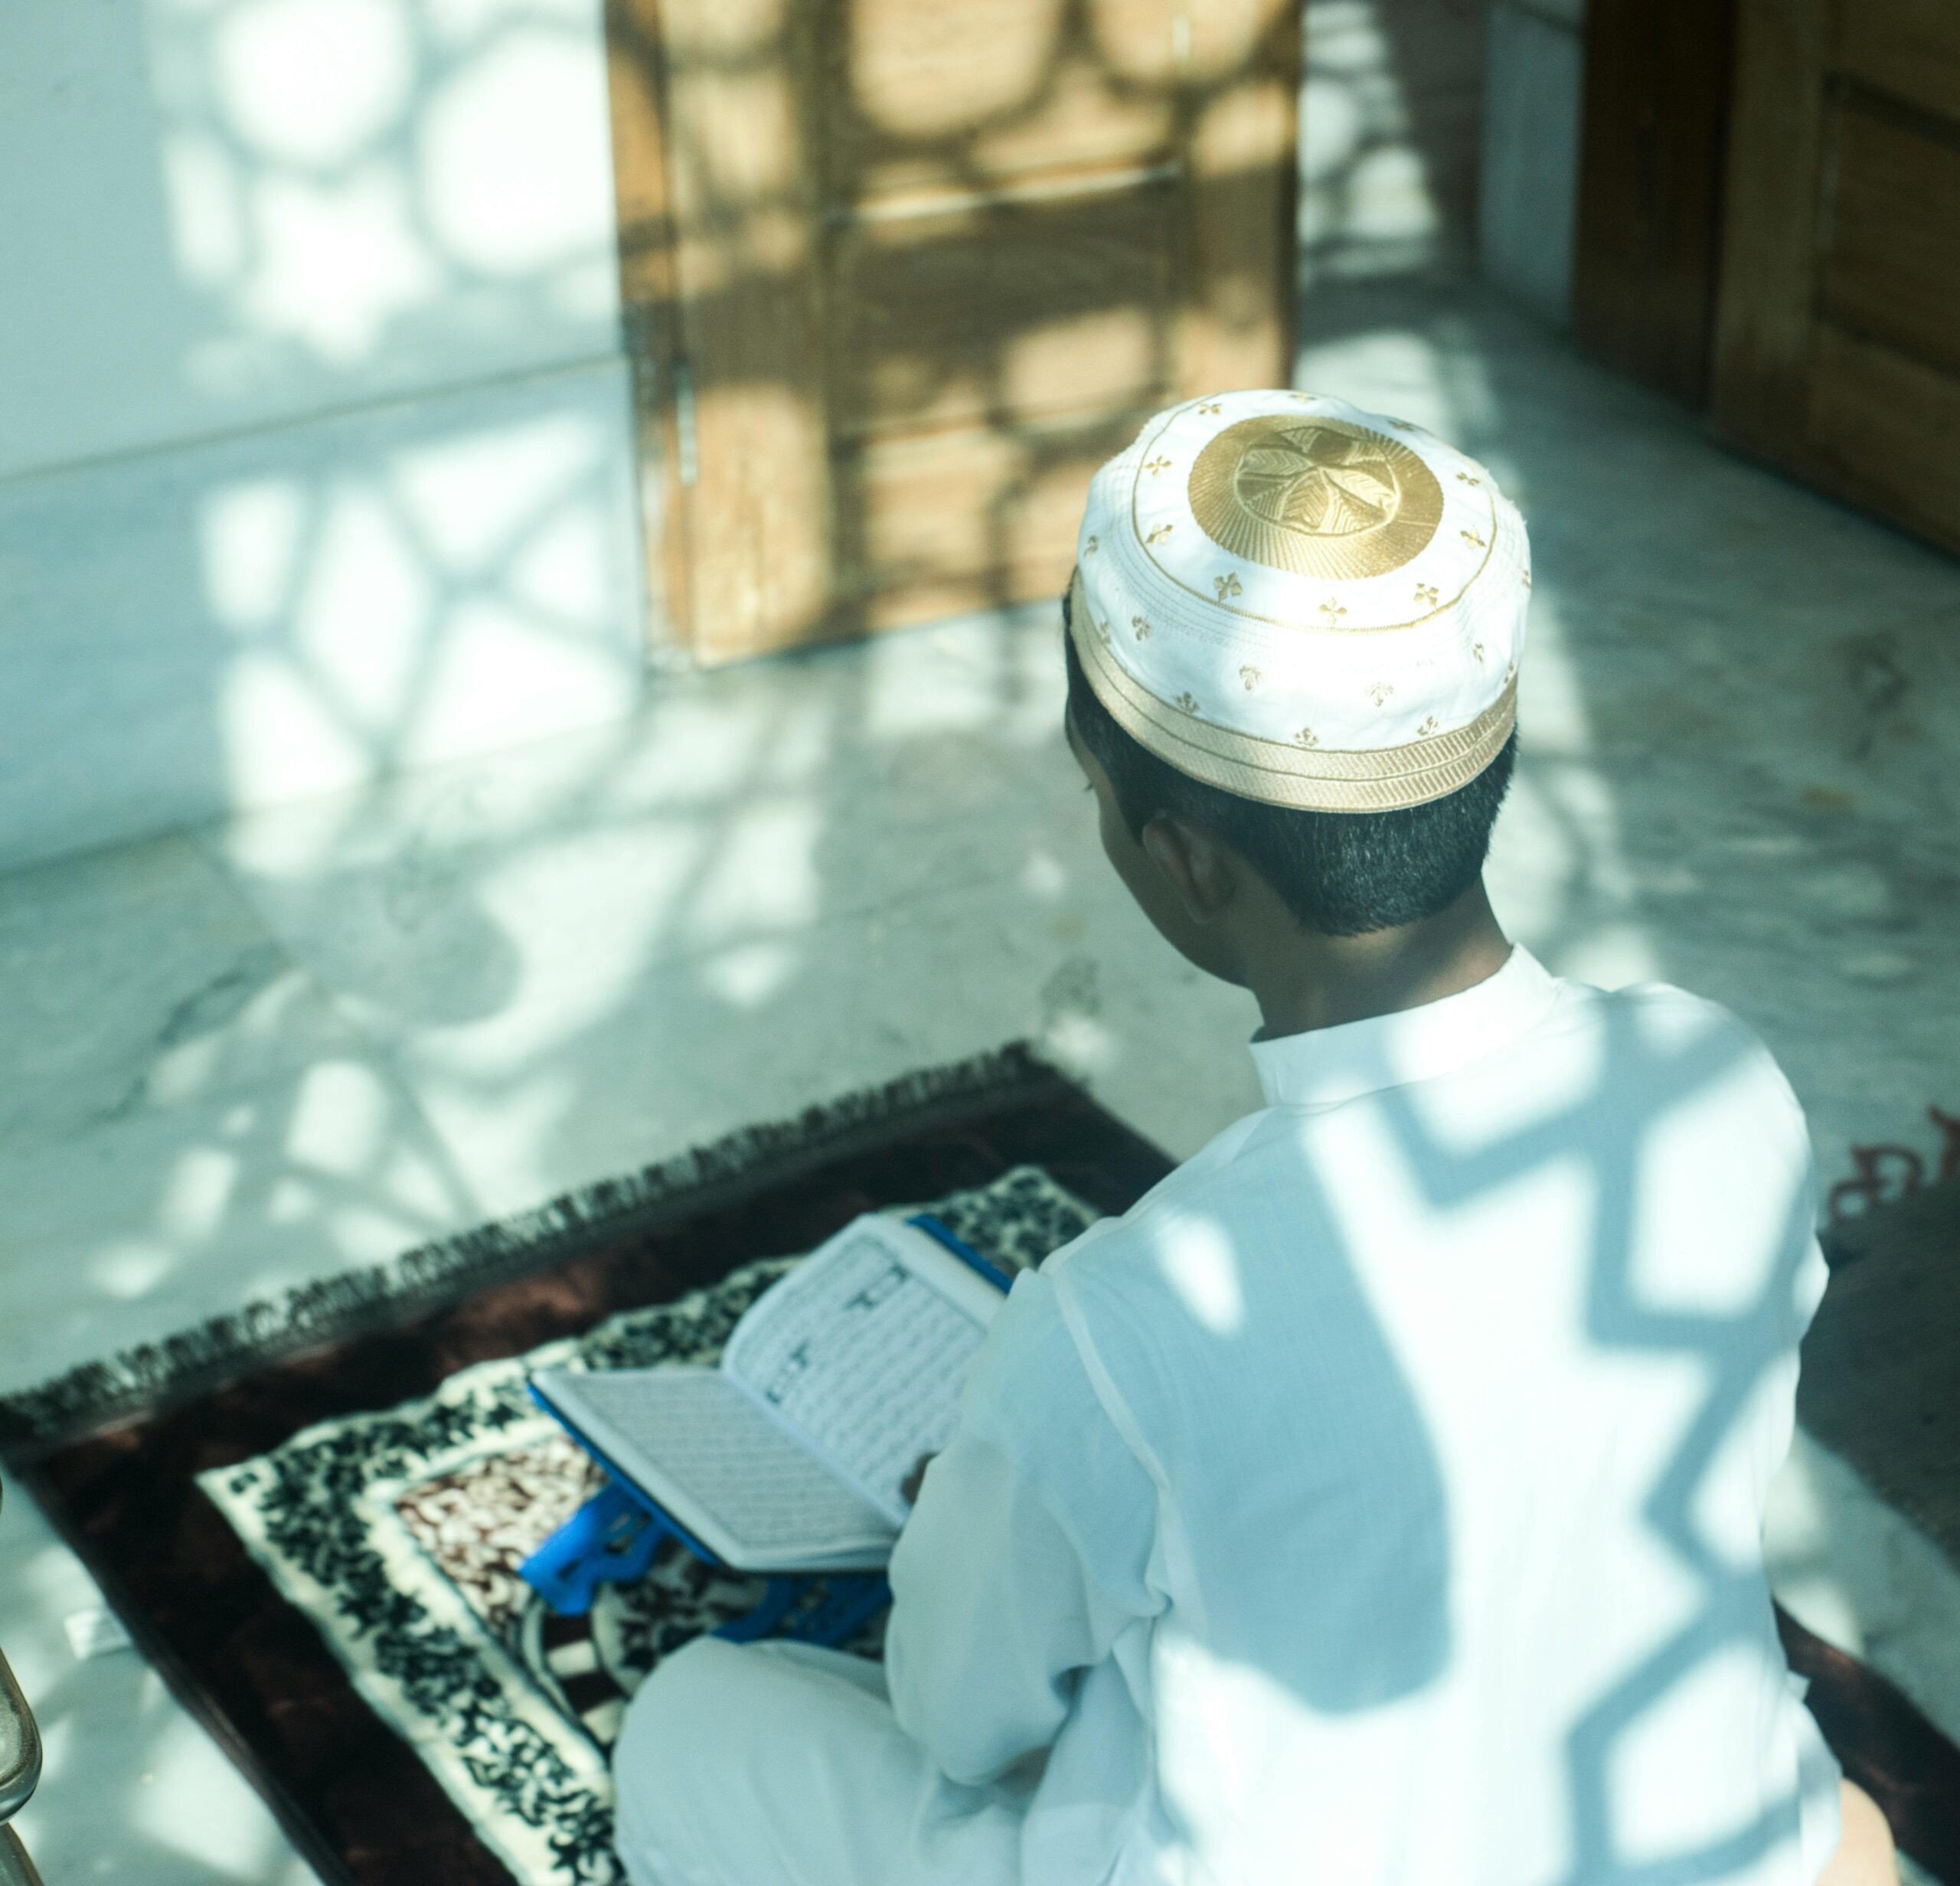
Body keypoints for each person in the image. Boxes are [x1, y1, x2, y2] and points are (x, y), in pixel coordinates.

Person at [611, 391, 1896, 1886]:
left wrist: (989, 1510)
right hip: (1690, 1836)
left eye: (1099, 797)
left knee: (698, 1720)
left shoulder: (1122, 1322)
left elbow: (958, 1715)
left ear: (1179, 858)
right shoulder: (1713, 1080)